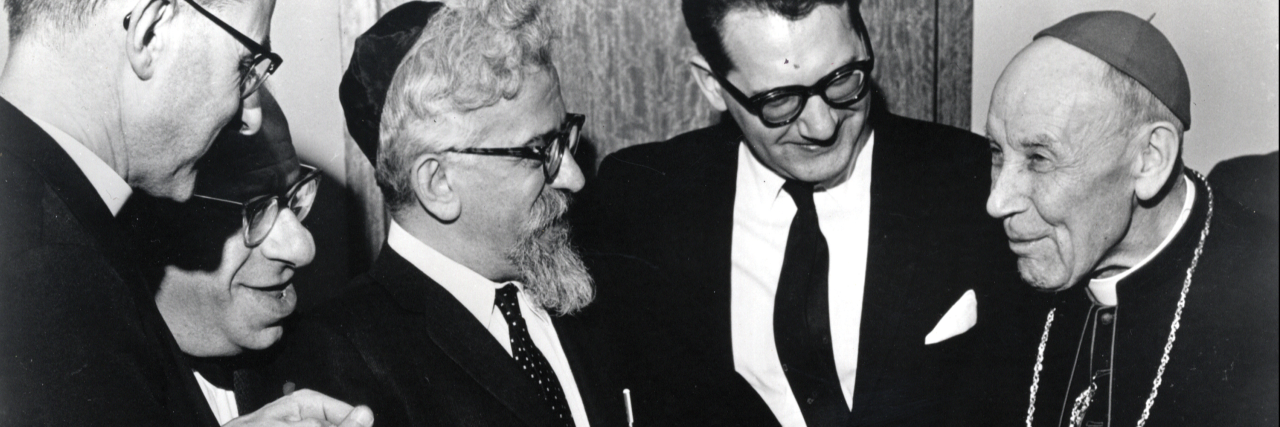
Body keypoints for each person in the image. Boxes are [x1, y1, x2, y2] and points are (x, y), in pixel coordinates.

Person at [573, 0, 1029, 425]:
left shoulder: (975, 182)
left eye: (843, 79)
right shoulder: (638, 199)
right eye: (779, 101)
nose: (823, 126)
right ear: (712, 85)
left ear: (866, 43)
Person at [0, 0, 366, 424]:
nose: (250, 115)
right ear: (151, 33)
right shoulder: (46, 264)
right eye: (246, 65)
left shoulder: (54, 233)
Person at [269, 1, 624, 426]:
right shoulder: (343, 364)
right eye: (540, 150)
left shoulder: (591, 282)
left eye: (564, 136)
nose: (574, 176)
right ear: (438, 183)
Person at [975, 11, 1279, 426]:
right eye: (997, 152)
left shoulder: (1266, 298)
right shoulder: (999, 271)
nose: (997, 201)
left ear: (1149, 159)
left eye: (1039, 159)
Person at [120, 88, 374, 426]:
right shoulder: (80, 384)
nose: (302, 249)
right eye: (255, 210)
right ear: (152, 219)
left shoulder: (338, 363)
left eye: (294, 199)